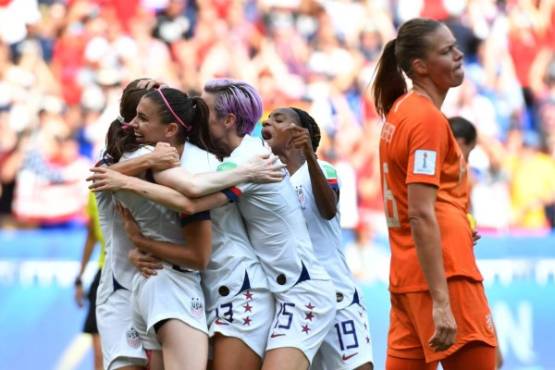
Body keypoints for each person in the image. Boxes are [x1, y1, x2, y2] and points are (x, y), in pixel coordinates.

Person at [372, 18, 497, 370]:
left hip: (408, 276)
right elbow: (420, 211)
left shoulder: (400, 111)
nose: (459, 55)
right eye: (446, 51)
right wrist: (442, 301)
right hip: (445, 277)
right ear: (420, 66)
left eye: (456, 46)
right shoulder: (425, 119)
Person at [202, 79, 336, 370]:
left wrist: (128, 179)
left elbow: (193, 202)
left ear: (228, 119)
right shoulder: (243, 158)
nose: (199, 116)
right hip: (282, 293)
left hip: (305, 291)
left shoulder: (252, 159)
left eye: (204, 109)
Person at [261, 106, 374, 370]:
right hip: (297, 299)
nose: (268, 122)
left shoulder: (324, 169)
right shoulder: (266, 181)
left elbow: (328, 209)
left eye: (278, 119)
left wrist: (310, 158)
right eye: (267, 119)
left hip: (337, 295)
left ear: (298, 134)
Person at [448, 116, 504, 369]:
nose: (466, 161)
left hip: (459, 272)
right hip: (452, 280)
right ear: (460, 143)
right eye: (468, 153)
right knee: (491, 357)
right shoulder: (447, 177)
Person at [74, 191, 106, 370]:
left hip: (134, 272)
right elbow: (92, 235)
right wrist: (79, 277)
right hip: (103, 274)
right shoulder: (95, 189)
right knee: (99, 352)